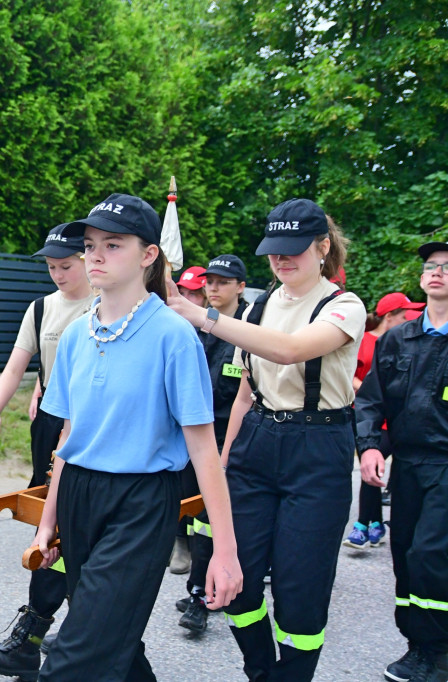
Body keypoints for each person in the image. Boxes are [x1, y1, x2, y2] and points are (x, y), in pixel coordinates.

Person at [32, 193, 243, 680]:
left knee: (74, 656)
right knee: (116, 647)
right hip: (81, 496)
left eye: (114, 244)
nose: (96, 256)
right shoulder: (76, 335)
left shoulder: (174, 335)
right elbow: (68, 436)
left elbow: (202, 449)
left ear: (149, 255)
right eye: (90, 245)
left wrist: (226, 552)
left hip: (142, 503)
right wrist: (50, 519)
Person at [168, 198, 365, 681]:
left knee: (301, 589)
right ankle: (259, 670)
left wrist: (201, 316)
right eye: (274, 250)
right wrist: (226, 460)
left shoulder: (344, 305)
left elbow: (289, 349)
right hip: (256, 442)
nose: (280, 260)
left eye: (293, 249)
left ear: (322, 247)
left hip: (318, 449)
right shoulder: (259, 305)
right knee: (238, 579)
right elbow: (244, 394)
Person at [0, 224, 96, 681]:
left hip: (97, 426)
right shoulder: (42, 308)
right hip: (51, 423)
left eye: (66, 265)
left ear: (87, 259)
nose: (58, 274)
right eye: (51, 266)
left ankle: (80, 631)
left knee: (80, 526)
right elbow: (18, 362)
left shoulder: (107, 304)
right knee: (49, 523)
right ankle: (36, 635)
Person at [355, 242, 448, 682]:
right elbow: (371, 401)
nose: (438, 272)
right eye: (431, 266)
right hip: (408, 466)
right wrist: (370, 446)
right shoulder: (399, 337)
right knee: (407, 557)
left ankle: (437, 651)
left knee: (432, 555)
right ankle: (418, 648)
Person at [175, 254, 250, 634]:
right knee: (193, 518)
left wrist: (228, 450)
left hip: (231, 439)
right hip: (193, 436)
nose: (213, 288)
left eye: (223, 282)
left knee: (211, 520)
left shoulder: (249, 328)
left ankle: (201, 599)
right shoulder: (196, 327)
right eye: (210, 282)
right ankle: (202, 588)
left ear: (240, 286)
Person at [342, 292, 422, 551]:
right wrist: (371, 391)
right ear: (389, 317)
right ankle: (366, 525)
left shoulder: (406, 341)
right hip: (371, 416)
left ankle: (376, 522)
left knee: (386, 472)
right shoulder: (365, 341)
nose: (410, 319)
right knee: (372, 466)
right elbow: (349, 373)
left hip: (398, 419)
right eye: (404, 315)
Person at [170, 264, 210, 574]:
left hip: (209, 424)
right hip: (175, 422)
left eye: (194, 294)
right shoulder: (170, 329)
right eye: (182, 292)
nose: (187, 299)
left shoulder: (219, 329)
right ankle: (179, 540)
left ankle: (206, 547)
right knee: (180, 484)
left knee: (203, 486)